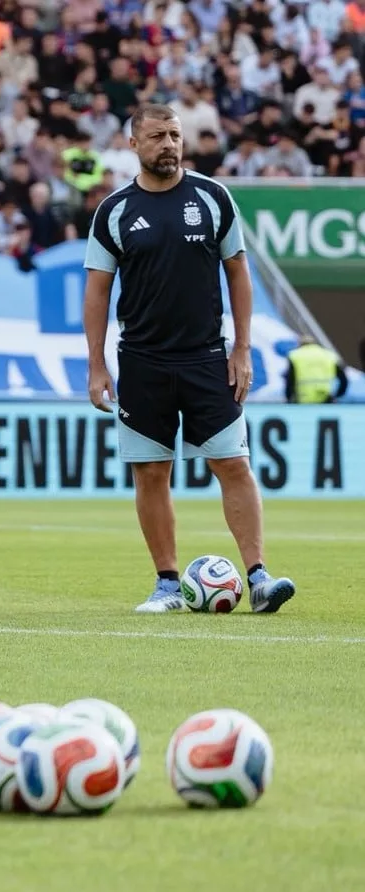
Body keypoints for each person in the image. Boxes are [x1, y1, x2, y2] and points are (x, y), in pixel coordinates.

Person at [83, 103, 295, 615]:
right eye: (158, 136)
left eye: (175, 135)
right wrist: (96, 364)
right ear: (133, 144)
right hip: (142, 361)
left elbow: (238, 272)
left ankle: (259, 578)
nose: (169, 145)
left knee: (233, 463)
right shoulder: (114, 210)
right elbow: (97, 291)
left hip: (207, 358)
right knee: (151, 472)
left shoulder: (213, 197)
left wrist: (242, 348)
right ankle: (167, 586)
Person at [284, 336, 347, 403]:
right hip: (325, 398)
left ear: (300, 344)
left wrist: (288, 397)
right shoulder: (329, 355)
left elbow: (290, 379)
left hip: (303, 398)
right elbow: (343, 379)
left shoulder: (295, 355)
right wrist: (338, 395)